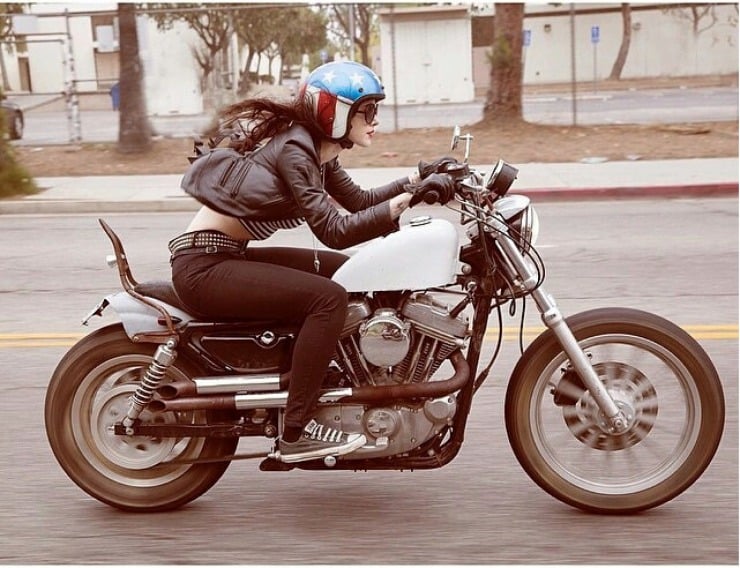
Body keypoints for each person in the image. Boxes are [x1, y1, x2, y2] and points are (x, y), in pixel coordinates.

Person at [169, 60, 456, 464]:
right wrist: (410, 200)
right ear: (333, 113)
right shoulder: (295, 150)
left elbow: (358, 203)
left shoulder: (317, 151)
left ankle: (333, 378)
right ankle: (297, 431)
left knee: (347, 274)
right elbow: (334, 229)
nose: (375, 120)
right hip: (204, 266)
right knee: (328, 299)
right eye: (366, 111)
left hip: (223, 255)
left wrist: (416, 180)